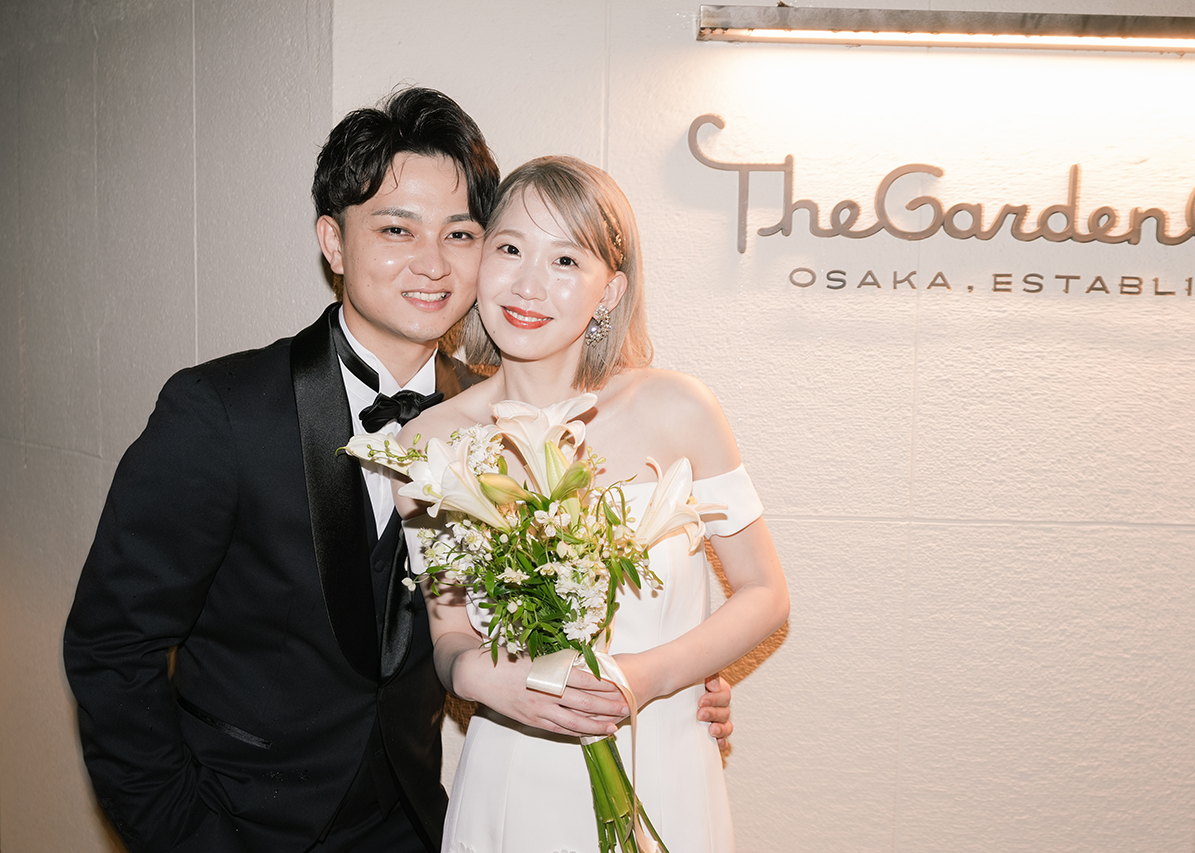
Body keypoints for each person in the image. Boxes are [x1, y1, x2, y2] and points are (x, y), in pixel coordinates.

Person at [63, 89, 733, 853]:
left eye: (461, 233)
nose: (432, 262)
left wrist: (674, 682)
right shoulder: (221, 412)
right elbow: (111, 650)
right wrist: (190, 838)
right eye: (395, 228)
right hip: (239, 825)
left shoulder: (506, 424)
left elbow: (529, 622)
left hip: (416, 825)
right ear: (334, 241)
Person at [393, 156, 790, 852]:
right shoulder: (429, 442)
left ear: (611, 291)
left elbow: (765, 593)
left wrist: (644, 677)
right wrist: (481, 676)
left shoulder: (678, 409)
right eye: (509, 249)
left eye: (566, 260)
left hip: (663, 758)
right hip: (514, 772)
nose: (528, 284)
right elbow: (449, 632)